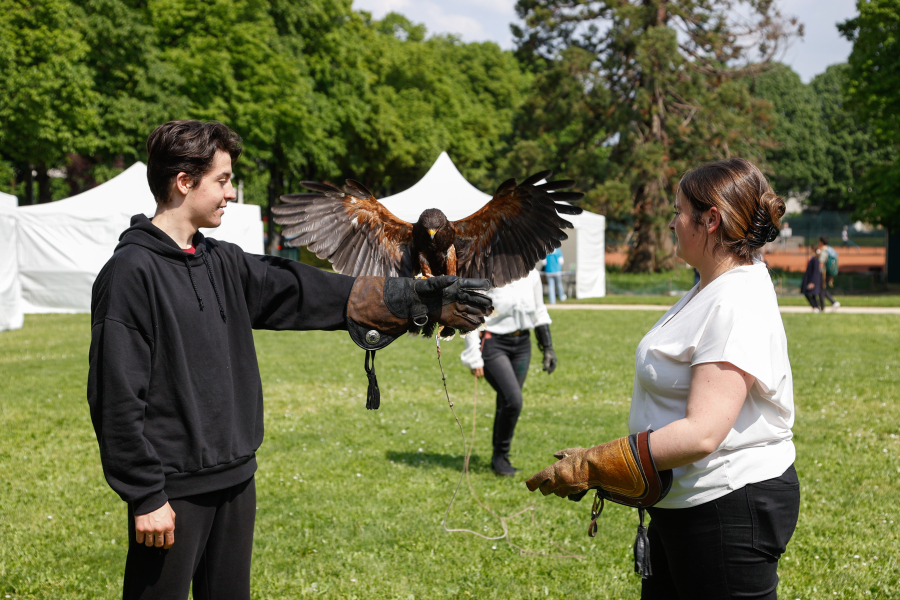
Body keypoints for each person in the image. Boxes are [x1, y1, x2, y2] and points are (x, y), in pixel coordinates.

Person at [87, 120, 493, 600]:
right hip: (173, 491)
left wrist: (414, 299)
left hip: (237, 478)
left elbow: (304, 290)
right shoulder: (130, 273)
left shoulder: (222, 261)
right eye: (223, 180)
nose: (232, 193)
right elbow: (115, 396)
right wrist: (146, 494)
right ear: (184, 182)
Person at [526, 158, 799, 599]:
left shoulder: (735, 301)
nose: (672, 223)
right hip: (688, 500)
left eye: (678, 212)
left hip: (728, 505)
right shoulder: (712, 288)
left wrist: (596, 463)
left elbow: (704, 433)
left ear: (710, 220)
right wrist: (608, 462)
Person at [460, 269, 557, 476]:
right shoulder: (486, 272)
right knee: (513, 401)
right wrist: (473, 355)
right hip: (493, 343)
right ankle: (500, 456)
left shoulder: (531, 274)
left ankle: (500, 458)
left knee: (507, 401)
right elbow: (472, 313)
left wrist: (547, 347)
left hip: (523, 343)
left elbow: (539, 311)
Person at [817, 236, 841, 311]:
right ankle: (832, 303)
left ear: (821, 242)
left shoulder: (824, 251)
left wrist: (817, 271)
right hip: (829, 272)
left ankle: (824, 307)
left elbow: (821, 262)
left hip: (824, 272)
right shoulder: (831, 249)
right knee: (822, 289)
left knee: (821, 289)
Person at [801, 246, 823, 312]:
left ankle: (815, 307)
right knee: (811, 294)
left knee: (808, 293)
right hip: (809, 278)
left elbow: (815, 272)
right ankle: (816, 307)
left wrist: (812, 282)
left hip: (812, 280)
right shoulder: (813, 258)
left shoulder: (815, 259)